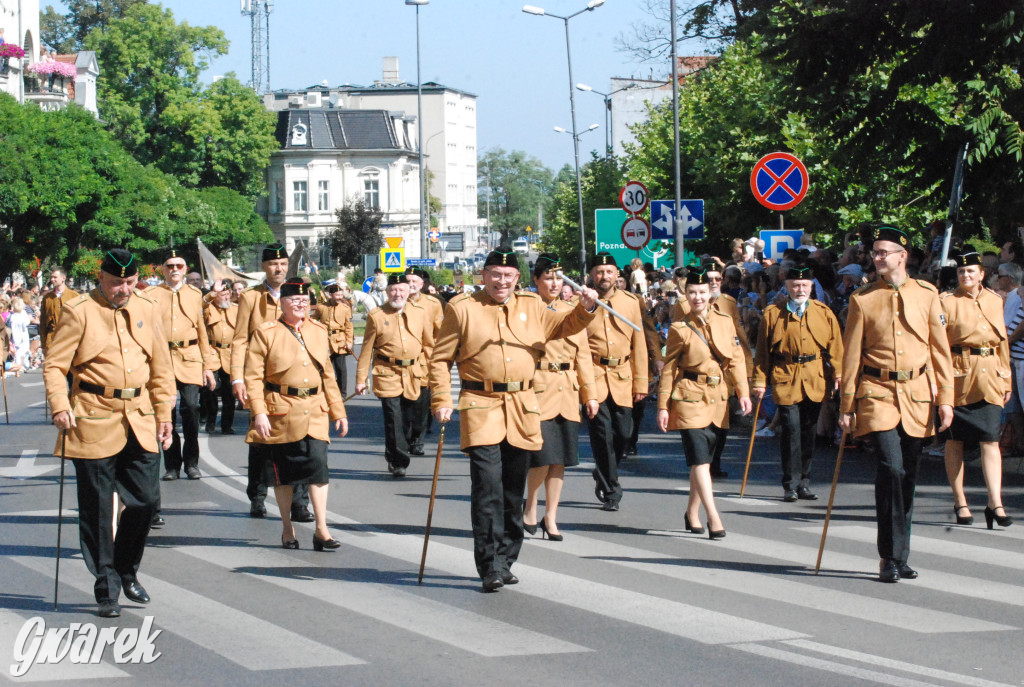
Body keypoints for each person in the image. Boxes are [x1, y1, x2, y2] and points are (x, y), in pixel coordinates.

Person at [429, 246, 599, 592]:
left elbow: (567, 325)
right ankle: (488, 563)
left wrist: (587, 307)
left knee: (511, 490)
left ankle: (507, 558)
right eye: (494, 274)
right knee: (487, 487)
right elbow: (439, 359)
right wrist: (441, 399)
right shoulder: (462, 309)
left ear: (518, 278)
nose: (501, 281)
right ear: (483, 275)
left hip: (522, 406)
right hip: (481, 404)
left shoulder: (533, 306)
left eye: (508, 276)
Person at [43, 249, 175, 617]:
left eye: (130, 282)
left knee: (146, 502)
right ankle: (107, 587)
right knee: (99, 511)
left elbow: (161, 367)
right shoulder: (80, 310)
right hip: (93, 417)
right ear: (101, 278)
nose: (124, 289)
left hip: (140, 418)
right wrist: (59, 404)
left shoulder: (147, 307)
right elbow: (55, 366)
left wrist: (165, 413)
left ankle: (126, 568)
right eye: (117, 283)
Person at [839, 225, 954, 583]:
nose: (877, 258)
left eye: (884, 252)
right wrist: (846, 404)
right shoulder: (863, 299)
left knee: (909, 475)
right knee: (890, 468)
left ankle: (901, 554)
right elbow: (851, 356)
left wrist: (946, 398)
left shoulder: (927, 294)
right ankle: (887, 556)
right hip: (877, 393)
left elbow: (940, 350)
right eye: (875, 252)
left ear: (902, 256)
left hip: (917, 394)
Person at [245, 278, 348, 550]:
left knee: (318, 468)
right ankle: (287, 528)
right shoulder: (266, 332)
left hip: (315, 409)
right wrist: (259, 412)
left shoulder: (318, 330)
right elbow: (253, 377)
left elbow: (328, 374)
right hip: (281, 409)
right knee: (285, 476)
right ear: (282, 303)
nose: (301, 304)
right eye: (295, 300)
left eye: (305, 301)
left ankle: (321, 530)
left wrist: (339, 411)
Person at [657, 266, 751, 538]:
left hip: (718, 398)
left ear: (711, 293)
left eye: (702, 292)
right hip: (689, 397)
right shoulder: (679, 327)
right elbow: (670, 369)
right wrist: (663, 405)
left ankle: (691, 512)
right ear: (685, 294)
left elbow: (736, 359)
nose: (697, 297)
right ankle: (714, 517)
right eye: (692, 292)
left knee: (705, 463)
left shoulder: (724, 321)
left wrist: (743, 393)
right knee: (698, 460)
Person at [231, 243, 312, 521]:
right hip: (261, 381)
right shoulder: (251, 298)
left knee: (300, 440)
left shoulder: (299, 293)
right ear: (264, 266)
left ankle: (300, 504)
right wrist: (237, 378)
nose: (278, 268)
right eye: (273, 264)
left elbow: (308, 335)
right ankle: (257, 496)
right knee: (262, 442)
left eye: (282, 263)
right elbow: (240, 339)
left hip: (293, 379)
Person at [522, 254, 599, 541]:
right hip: (539, 387)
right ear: (536, 280)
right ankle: (530, 506)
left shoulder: (572, 311)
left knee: (561, 461)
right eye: (548, 278)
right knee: (542, 457)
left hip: (567, 390)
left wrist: (590, 394)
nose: (554, 283)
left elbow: (584, 357)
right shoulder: (528, 310)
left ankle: (551, 516)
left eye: (558, 277)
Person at [752, 264, 844, 501]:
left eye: (804, 285)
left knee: (808, 431)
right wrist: (759, 382)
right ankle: (789, 484)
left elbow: (836, 348)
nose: (800, 289)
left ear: (811, 287)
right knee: (790, 430)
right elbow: (763, 353)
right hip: (786, 376)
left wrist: (839, 374)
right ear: (787, 287)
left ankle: (804, 480)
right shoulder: (773, 314)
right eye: (795, 285)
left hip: (814, 377)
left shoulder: (824, 313)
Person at [940, 252, 1014, 528]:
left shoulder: (995, 300)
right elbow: (939, 346)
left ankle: (995, 502)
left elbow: (1002, 341)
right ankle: (960, 501)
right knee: (955, 440)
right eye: (961, 272)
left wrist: (1005, 377)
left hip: (990, 376)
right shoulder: (946, 302)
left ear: (982, 274)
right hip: (960, 377)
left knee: (990, 439)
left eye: (971, 272)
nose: (966, 276)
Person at [673, 261, 753, 478]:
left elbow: (737, 340)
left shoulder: (729, 304)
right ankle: (706, 468)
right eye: (712, 279)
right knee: (699, 450)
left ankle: (713, 463)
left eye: (718, 279)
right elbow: (677, 339)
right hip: (692, 378)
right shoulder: (682, 305)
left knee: (719, 428)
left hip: (721, 376)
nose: (716, 282)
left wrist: (745, 379)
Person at [585, 252, 649, 511]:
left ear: (617, 275)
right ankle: (612, 489)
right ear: (592, 275)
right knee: (602, 435)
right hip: (594, 375)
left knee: (623, 434)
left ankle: (604, 472)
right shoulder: (585, 302)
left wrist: (641, 382)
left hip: (623, 376)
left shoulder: (631, 302)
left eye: (609, 271)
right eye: (599, 272)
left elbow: (639, 342)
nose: (604, 276)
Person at [147, 249, 217, 481]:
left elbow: (202, 331)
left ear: (185, 269)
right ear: (163, 269)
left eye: (179, 266)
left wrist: (207, 365)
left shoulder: (194, 293)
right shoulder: (152, 294)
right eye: (170, 266)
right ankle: (172, 465)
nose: (174, 269)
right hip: (162, 358)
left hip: (189, 357)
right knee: (166, 412)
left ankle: (192, 463)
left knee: (191, 409)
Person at [355, 274, 432, 477]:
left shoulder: (420, 313)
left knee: (410, 420)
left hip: (414, 373)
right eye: (393, 290)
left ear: (409, 292)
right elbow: (366, 349)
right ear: (387, 292)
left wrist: (433, 373)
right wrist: (361, 379)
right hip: (387, 373)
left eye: (402, 290)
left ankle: (398, 448)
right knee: (393, 417)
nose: (397, 294)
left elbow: (428, 346)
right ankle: (399, 461)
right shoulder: (377, 315)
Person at [202, 280, 238, 434]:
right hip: (212, 352)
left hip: (230, 355)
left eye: (227, 293)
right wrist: (212, 294)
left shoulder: (236, 309)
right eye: (222, 293)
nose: (225, 296)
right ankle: (210, 422)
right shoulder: (208, 308)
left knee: (230, 393)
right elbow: (199, 307)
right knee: (211, 390)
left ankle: (226, 425)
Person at [312, 279, 354, 397]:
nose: (340, 296)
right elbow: (314, 321)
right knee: (325, 368)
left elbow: (349, 327)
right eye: (337, 294)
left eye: (341, 294)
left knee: (341, 369)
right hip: (325, 341)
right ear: (331, 295)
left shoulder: (345, 308)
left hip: (340, 341)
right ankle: (326, 391)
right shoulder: (321, 308)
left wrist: (349, 341)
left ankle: (342, 392)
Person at [38, 268, 79, 354]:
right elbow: (43, 322)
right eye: (51, 277)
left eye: (55, 277)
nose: (52, 279)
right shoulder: (47, 298)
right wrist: (43, 344)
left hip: (70, 338)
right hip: (52, 339)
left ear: (63, 278)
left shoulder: (74, 296)